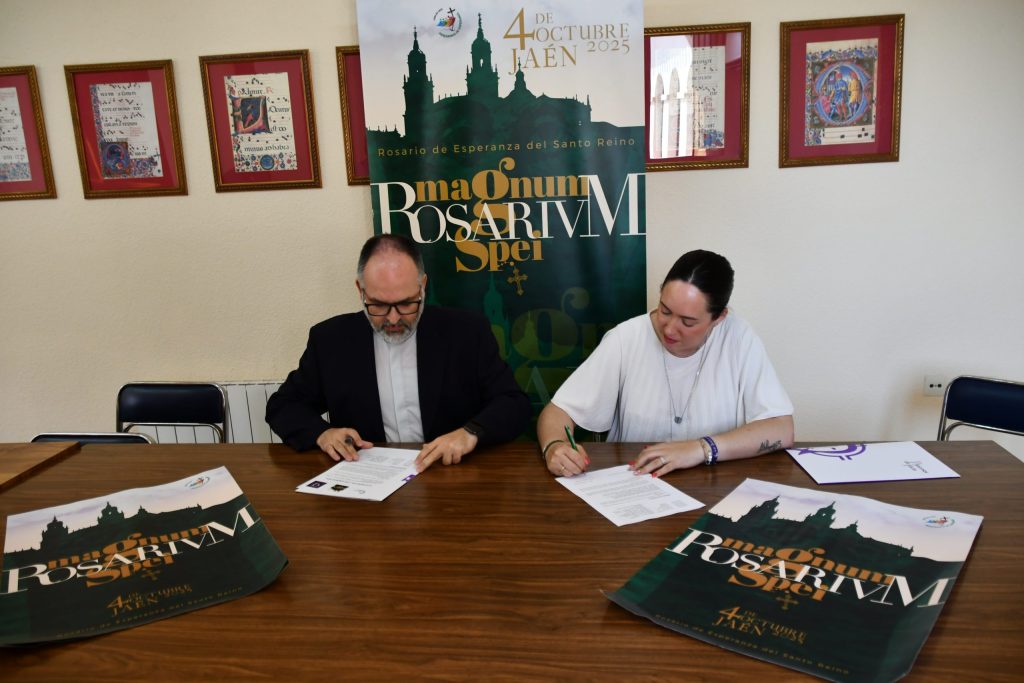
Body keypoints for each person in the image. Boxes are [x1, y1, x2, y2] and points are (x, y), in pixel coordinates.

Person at [266, 234, 530, 471]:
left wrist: (470, 433)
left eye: (406, 304)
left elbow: (514, 403)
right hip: (367, 479)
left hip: (450, 475)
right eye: (378, 305)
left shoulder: (466, 332)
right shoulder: (331, 340)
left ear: (422, 286)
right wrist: (322, 434)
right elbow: (283, 405)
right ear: (360, 290)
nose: (393, 318)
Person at [537, 249, 793, 478]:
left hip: (715, 488)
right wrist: (555, 446)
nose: (669, 329)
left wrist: (700, 449)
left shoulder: (738, 338)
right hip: (636, 483)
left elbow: (782, 429)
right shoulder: (626, 338)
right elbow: (557, 412)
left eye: (688, 322)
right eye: (665, 310)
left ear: (719, 318)